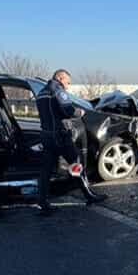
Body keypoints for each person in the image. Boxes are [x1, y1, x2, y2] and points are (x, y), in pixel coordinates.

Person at [36, 69, 106, 211]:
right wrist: (80, 112)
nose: (68, 86)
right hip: (60, 136)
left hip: (46, 136)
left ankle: (43, 202)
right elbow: (68, 110)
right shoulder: (58, 90)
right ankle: (89, 195)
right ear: (60, 78)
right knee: (77, 164)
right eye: (68, 82)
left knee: (46, 171)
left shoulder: (41, 92)